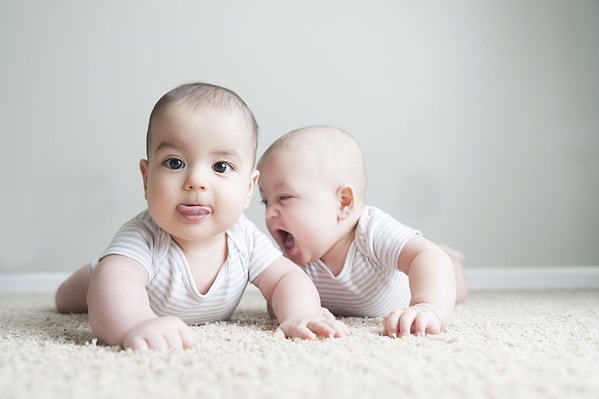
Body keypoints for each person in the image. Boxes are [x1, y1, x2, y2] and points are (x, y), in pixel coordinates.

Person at [55, 84, 348, 351]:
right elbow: (115, 286)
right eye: (175, 162)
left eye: (221, 166)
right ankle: (92, 270)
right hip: (105, 277)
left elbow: (286, 277)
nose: (196, 181)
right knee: (77, 293)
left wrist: (299, 312)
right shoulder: (143, 236)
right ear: (146, 179)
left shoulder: (243, 238)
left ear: (248, 188)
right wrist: (135, 323)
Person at [256, 125, 467, 338]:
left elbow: (427, 257)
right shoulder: (294, 261)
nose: (269, 213)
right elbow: (276, 300)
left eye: (284, 197)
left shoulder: (372, 231)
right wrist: (302, 311)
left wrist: (427, 307)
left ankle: (453, 260)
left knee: (449, 279)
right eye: (266, 202)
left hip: (413, 281)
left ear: (343, 202)